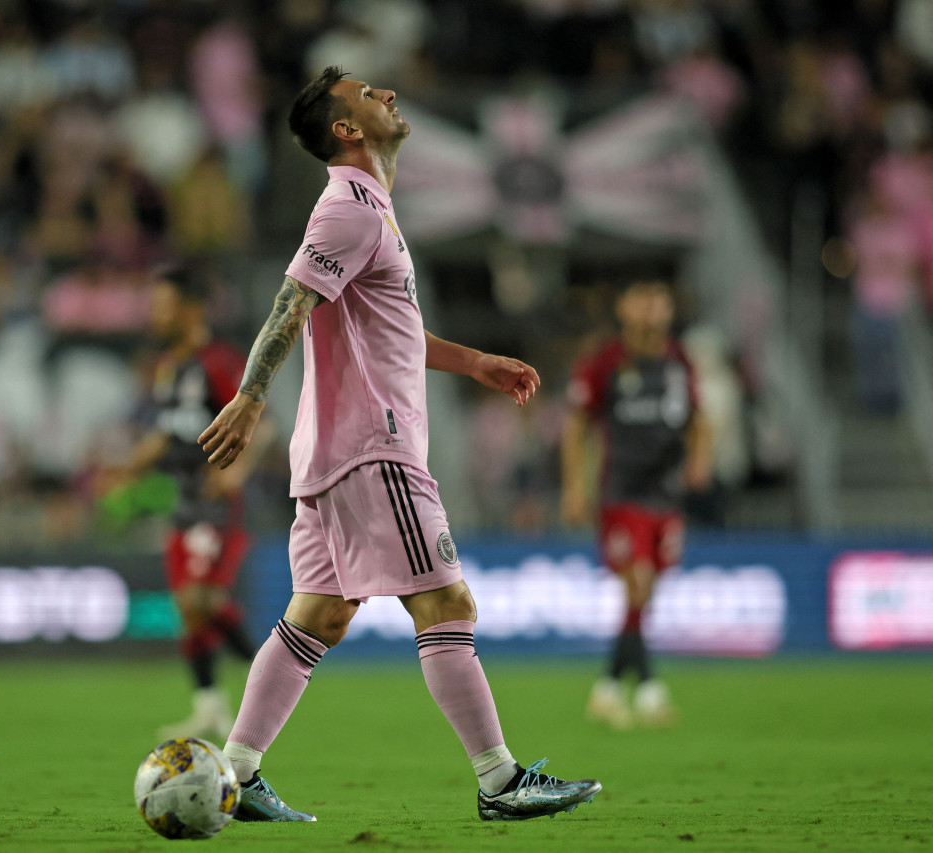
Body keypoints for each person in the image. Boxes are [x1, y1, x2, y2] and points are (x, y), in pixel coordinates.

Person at [196, 66, 602, 823]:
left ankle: (236, 770)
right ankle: (499, 779)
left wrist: (473, 360)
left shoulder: (371, 209)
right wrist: (251, 397)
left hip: (330, 455)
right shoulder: (348, 208)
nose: (387, 94)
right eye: (367, 94)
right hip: (371, 449)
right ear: (347, 130)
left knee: (319, 614)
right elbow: (291, 302)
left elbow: (390, 329)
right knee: (447, 601)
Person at [116, 266, 263, 741]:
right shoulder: (169, 366)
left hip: (213, 502)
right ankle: (210, 708)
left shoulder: (218, 361)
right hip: (180, 500)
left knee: (201, 599)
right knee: (190, 608)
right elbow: (166, 433)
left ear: (191, 309)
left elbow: (267, 421)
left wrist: (236, 469)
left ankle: (274, 667)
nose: (155, 315)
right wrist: (124, 469)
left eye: (163, 305)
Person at [561, 280, 713, 728]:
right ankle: (648, 688)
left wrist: (700, 460)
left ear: (668, 310)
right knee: (638, 584)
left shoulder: (680, 361)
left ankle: (607, 688)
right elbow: (576, 426)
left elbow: (698, 420)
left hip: (666, 494)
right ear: (624, 308)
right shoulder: (605, 361)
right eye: (641, 301)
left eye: (658, 301)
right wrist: (575, 487)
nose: (650, 310)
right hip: (622, 493)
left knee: (644, 595)